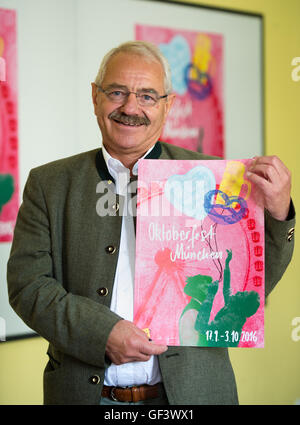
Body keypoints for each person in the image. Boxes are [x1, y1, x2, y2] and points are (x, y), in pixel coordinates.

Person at [7, 41, 295, 405]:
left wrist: (279, 212)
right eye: (116, 92)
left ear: (168, 105)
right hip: (85, 395)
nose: (131, 108)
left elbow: (249, 286)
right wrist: (102, 333)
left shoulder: (214, 181)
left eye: (147, 96)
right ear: (95, 97)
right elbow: (27, 286)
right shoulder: (49, 184)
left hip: (195, 393)